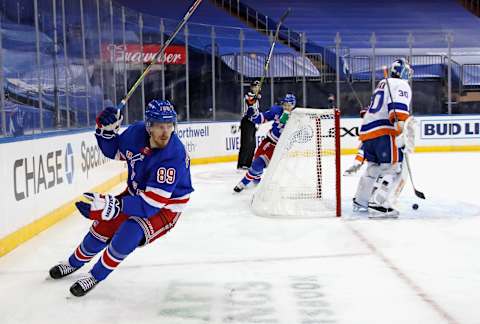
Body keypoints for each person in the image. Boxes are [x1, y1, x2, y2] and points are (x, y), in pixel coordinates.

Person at [48, 99, 193, 296]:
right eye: (160, 126)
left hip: (166, 206)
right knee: (103, 226)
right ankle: (73, 263)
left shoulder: (172, 155)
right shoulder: (136, 132)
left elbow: (150, 205)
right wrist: (105, 132)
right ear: (149, 125)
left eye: (169, 126)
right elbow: (115, 151)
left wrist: (114, 204)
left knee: (129, 232)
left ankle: (96, 275)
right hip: (137, 194)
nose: (166, 132)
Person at [353, 58, 413, 217]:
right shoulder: (401, 84)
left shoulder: (383, 83)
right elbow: (398, 110)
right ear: (403, 72)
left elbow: (375, 108)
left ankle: (361, 200)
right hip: (384, 132)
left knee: (373, 168)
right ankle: (379, 204)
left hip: (367, 132)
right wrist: (401, 129)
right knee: (393, 168)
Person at [234, 93, 296, 193]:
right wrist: (253, 114)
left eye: (289, 105)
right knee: (256, 164)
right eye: (285, 104)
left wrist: (286, 119)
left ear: (293, 106)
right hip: (268, 142)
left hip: (279, 148)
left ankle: (244, 183)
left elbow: (289, 128)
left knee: (258, 165)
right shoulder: (277, 110)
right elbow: (260, 119)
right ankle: (253, 182)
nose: (286, 107)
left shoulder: (297, 117)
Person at [237, 80, 261, 170]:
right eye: (255, 86)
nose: (256, 88)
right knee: (246, 143)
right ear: (251, 87)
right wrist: (256, 98)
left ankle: (248, 163)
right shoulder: (248, 96)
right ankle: (241, 163)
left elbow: (256, 111)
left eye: (258, 87)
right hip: (247, 121)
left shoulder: (256, 98)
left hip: (253, 122)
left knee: (252, 145)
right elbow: (249, 104)